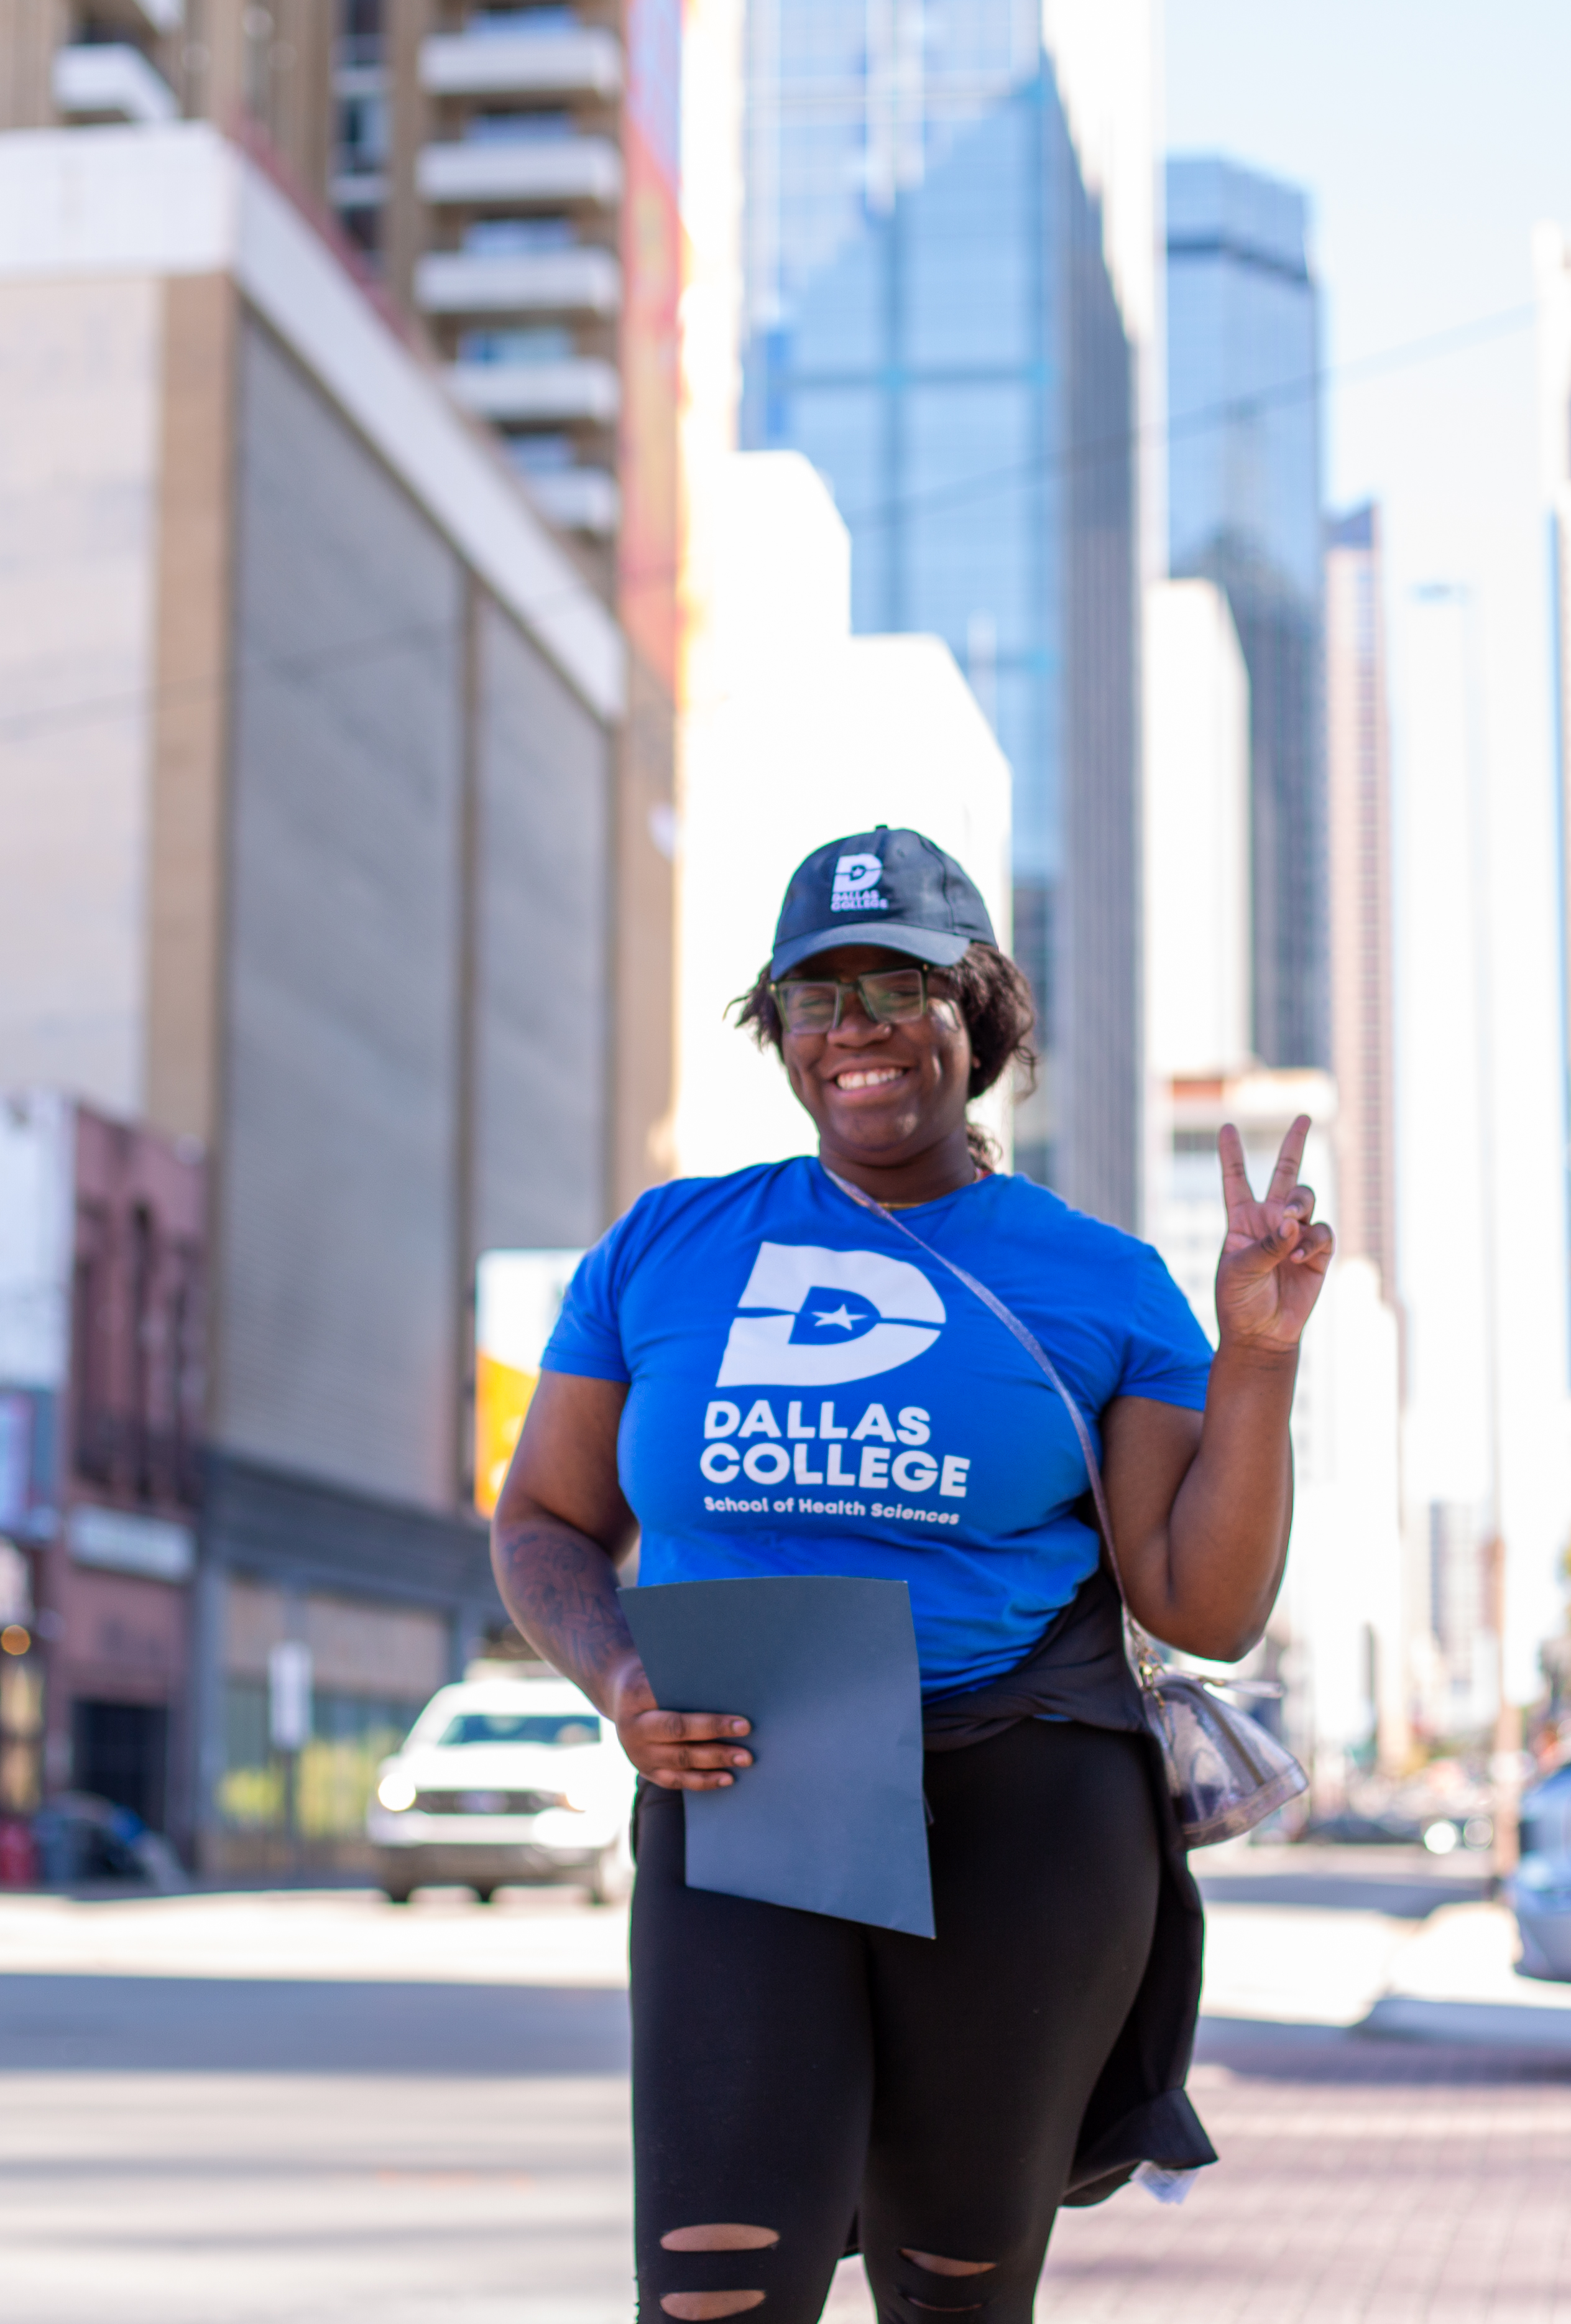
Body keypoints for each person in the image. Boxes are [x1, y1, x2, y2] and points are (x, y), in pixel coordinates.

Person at [493, 827, 1334, 2323]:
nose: (857, 1030)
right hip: (744, 1788)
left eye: (900, 987)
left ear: (979, 1016)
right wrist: (619, 1679)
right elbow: (546, 1518)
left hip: (1020, 1809)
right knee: (709, 2291)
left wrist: (1255, 1359)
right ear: (778, 1031)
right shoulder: (665, 1249)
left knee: (953, 2291)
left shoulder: (1098, 1281)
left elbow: (1199, 1606)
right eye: (815, 998)